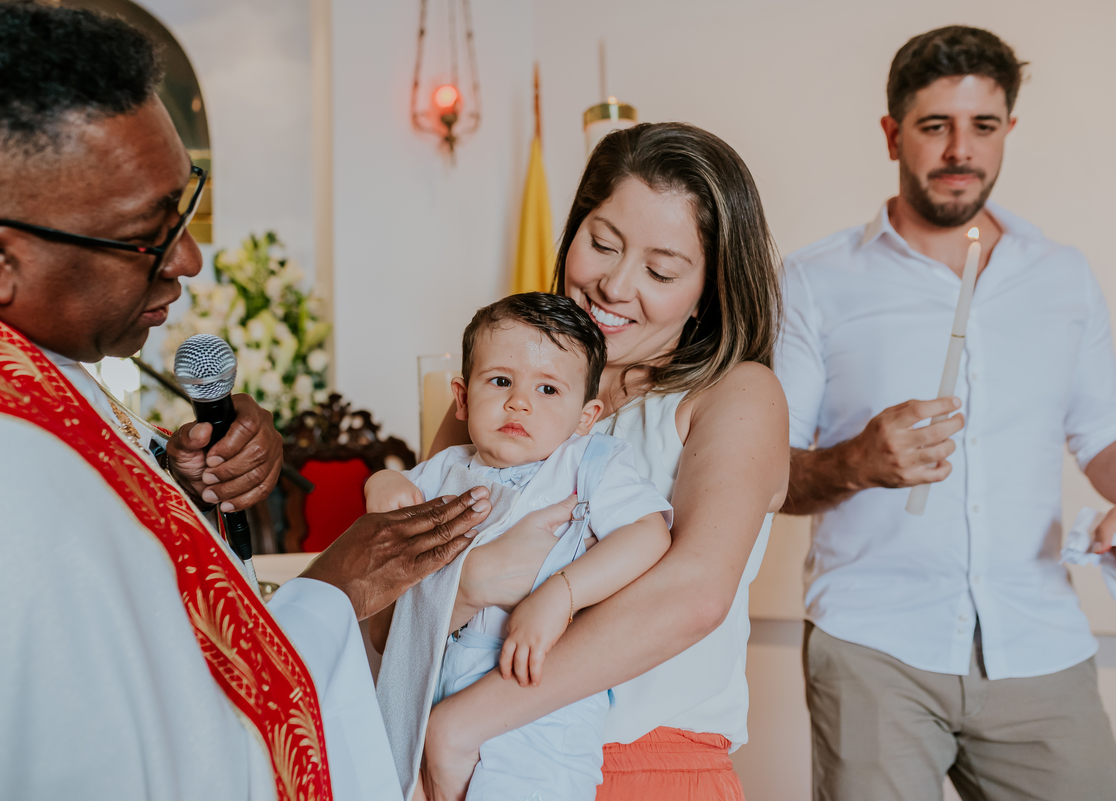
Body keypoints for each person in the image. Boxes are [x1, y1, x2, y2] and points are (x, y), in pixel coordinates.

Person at [0, 3, 495, 800]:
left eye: (185, 203)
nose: (188, 258)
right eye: (151, 231)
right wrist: (332, 594)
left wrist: (175, 479)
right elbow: (174, 753)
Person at [775, 25, 1116, 801]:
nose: (960, 149)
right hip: (873, 647)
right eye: (935, 126)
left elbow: (1101, 437)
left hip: (1039, 644)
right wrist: (854, 460)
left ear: (1008, 133)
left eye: (983, 127)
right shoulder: (816, 280)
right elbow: (769, 476)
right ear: (893, 133)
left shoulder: (1063, 277)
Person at [421, 123, 791, 801]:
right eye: (602, 244)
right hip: (470, 765)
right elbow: (418, 567)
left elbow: (693, 594)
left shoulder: (737, 394)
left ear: (709, 286)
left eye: (660, 270)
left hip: (641, 766)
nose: (615, 286)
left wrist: (463, 721)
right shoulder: (508, 383)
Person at [369, 292, 673, 801]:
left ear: (584, 415)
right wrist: (381, 483)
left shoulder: (588, 462)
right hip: (428, 682)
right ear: (463, 398)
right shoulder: (447, 468)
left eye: (549, 388)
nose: (520, 402)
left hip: (536, 694)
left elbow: (649, 534)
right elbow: (389, 531)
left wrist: (562, 593)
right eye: (501, 381)